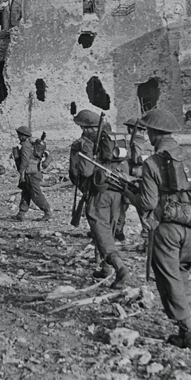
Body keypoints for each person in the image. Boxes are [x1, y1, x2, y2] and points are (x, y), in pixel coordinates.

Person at [122, 108, 191, 349]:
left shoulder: (153, 163)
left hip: (167, 231)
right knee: (183, 272)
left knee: (169, 278)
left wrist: (129, 194)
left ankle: (187, 333)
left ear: (154, 134)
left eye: (148, 131)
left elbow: (148, 203)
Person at [69, 110, 130, 290]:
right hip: (117, 191)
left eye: (82, 127)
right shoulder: (111, 140)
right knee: (107, 228)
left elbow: (84, 172)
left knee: (100, 229)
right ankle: (105, 267)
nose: (81, 130)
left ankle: (120, 268)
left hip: (98, 193)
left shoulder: (85, 144)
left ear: (86, 128)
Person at [115, 117, 154, 248]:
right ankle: (147, 236)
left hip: (132, 177)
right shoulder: (148, 143)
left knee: (123, 206)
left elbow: (132, 159)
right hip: (144, 178)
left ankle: (119, 232)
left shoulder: (134, 142)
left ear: (131, 129)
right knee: (142, 209)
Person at [13, 126, 52, 222]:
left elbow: (25, 160)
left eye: (19, 135)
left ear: (23, 136)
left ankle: (47, 211)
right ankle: (21, 213)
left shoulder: (26, 146)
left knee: (35, 194)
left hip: (30, 173)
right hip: (33, 172)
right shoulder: (31, 144)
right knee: (26, 192)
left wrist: (21, 172)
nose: (18, 137)